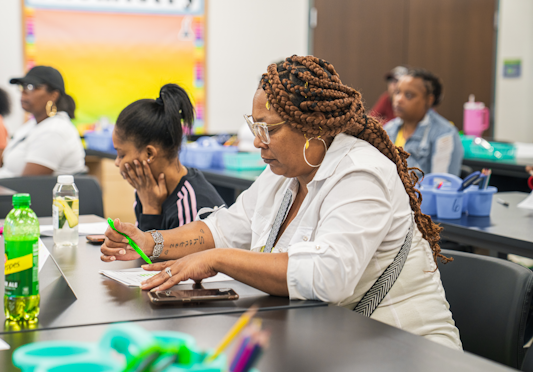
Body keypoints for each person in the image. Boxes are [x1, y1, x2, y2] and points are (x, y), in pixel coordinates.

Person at [100, 56, 462, 350]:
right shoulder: (285, 173)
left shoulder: (361, 174)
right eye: (254, 127)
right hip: (338, 340)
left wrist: (218, 259)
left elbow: (327, 276)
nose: (258, 142)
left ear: (312, 126)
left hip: (405, 349)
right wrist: (153, 242)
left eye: (268, 129)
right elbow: (225, 228)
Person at [113, 83, 225, 231]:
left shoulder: (191, 206)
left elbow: (151, 253)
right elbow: (139, 250)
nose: (117, 162)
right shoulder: (146, 190)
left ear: (149, 154)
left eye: (121, 154)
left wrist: (151, 210)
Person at [0, 66, 85, 178]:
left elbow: (30, 183)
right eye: (23, 87)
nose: (24, 92)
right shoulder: (33, 125)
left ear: (54, 95)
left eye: (31, 87)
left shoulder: (55, 130)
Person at [384, 68, 463, 176]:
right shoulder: (388, 129)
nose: (399, 99)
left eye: (408, 95)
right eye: (397, 92)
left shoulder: (444, 134)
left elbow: (441, 185)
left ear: (429, 100)